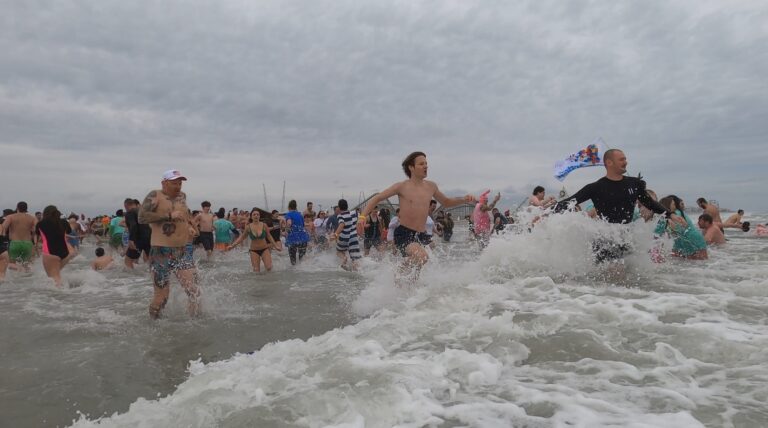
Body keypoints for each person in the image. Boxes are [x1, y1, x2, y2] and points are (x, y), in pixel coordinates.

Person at [357, 152, 476, 282]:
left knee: (419, 266)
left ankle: (407, 287)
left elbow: (446, 202)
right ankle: (398, 275)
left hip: (421, 234)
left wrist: (464, 199)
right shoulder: (402, 186)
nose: (425, 166)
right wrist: (362, 216)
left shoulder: (431, 186)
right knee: (423, 257)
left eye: (426, 163)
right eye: (421, 164)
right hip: (404, 233)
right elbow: (377, 198)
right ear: (411, 167)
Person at [554, 149, 684, 264]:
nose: (626, 162)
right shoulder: (595, 187)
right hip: (605, 237)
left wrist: (670, 214)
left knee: (627, 277)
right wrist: (546, 212)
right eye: (622, 159)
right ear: (609, 162)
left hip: (626, 236)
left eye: (625, 159)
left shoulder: (634, 184)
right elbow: (570, 202)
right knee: (612, 277)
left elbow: (649, 202)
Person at [138, 169, 200, 319]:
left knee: (194, 291)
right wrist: (168, 215)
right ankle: (153, 324)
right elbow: (142, 217)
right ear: (164, 183)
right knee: (162, 298)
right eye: (174, 183)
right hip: (161, 252)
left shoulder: (182, 197)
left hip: (182, 251)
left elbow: (184, 215)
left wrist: (190, 227)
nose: (178, 186)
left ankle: (195, 324)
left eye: (180, 183)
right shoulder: (155, 195)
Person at [35, 205, 74, 287]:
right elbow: (69, 231)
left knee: (54, 278)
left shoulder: (41, 223)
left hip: (50, 252)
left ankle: (60, 296)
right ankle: (65, 290)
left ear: (45, 213)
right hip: (65, 253)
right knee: (56, 274)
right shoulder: (64, 222)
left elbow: (39, 236)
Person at [3, 201, 38, 270]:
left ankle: (15, 278)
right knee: (26, 265)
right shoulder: (32, 218)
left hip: (14, 243)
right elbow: (36, 229)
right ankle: (26, 277)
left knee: (12, 264)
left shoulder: (10, 217)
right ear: (26, 208)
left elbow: (3, 228)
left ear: (17, 208)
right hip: (27, 243)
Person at [332, 199, 361, 270]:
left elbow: (342, 224)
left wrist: (335, 234)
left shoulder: (340, 215)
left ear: (339, 207)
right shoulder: (355, 213)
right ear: (347, 205)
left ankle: (344, 258)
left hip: (344, 237)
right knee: (355, 258)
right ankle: (357, 271)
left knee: (339, 251)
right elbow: (359, 222)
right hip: (354, 237)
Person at [124, 198, 152, 268]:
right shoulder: (143, 211)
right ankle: (151, 276)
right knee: (151, 260)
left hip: (138, 239)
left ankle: (132, 278)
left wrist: (131, 240)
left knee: (128, 260)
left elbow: (133, 225)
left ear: (126, 206)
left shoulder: (130, 212)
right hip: (149, 238)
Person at [284, 200, 310, 265]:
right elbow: (303, 226)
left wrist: (286, 231)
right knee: (302, 260)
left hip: (293, 239)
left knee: (293, 261)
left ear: (289, 207)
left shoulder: (288, 214)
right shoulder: (300, 215)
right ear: (296, 207)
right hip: (303, 238)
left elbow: (289, 223)